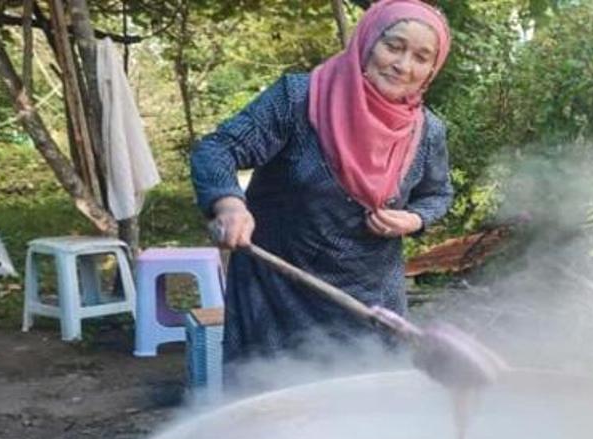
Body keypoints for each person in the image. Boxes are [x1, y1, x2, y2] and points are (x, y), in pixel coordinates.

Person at [190, 0, 454, 367]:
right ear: (366, 41)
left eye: (421, 57)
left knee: (366, 411)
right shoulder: (298, 99)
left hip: (371, 300)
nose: (403, 65)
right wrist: (228, 204)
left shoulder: (427, 132)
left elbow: (437, 194)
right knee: (272, 409)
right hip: (277, 291)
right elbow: (217, 150)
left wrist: (415, 219)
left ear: (431, 70)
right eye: (393, 46)